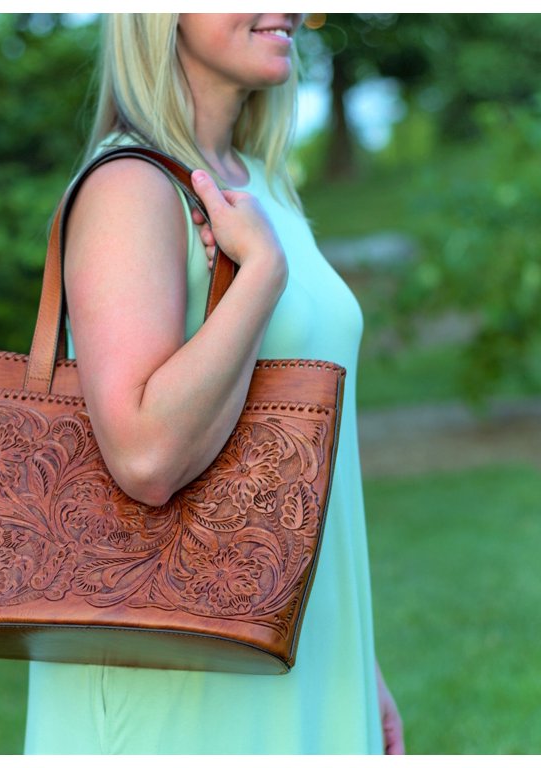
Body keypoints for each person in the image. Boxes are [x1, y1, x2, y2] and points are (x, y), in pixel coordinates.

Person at [23, 13, 404, 755]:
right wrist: (257, 278)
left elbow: (294, 453)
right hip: (182, 678)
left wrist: (359, 660)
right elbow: (144, 457)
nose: (302, 11)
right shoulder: (131, 185)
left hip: (288, 644)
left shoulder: (258, 182)